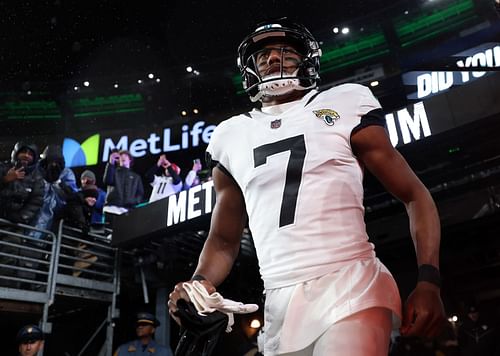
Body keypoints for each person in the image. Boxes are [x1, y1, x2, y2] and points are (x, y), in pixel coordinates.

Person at [168, 18, 445, 355]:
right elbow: (224, 240)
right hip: (278, 300)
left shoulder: (346, 102)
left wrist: (429, 278)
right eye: (263, 55)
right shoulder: (229, 135)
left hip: (351, 282)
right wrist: (197, 283)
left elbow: (414, 195)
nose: (272, 59)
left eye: (285, 51)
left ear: (306, 60)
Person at [0, 142, 44, 225]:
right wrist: (5, 180)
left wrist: (20, 217)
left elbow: (36, 202)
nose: (26, 155)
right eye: (23, 152)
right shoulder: (2, 168)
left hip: (14, 226)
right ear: (16, 153)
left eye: (30, 154)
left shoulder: (37, 179)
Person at [103, 149, 144, 216]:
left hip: (127, 211)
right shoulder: (114, 171)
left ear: (130, 159)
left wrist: (132, 201)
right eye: (120, 156)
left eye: (125, 155)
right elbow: (107, 181)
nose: (122, 157)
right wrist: (111, 163)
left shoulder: (136, 177)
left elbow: (140, 194)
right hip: (111, 208)